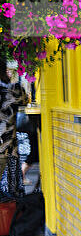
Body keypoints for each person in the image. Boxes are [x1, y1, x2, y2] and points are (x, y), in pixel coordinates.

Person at [0, 58, 27, 196]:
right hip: (9, 144)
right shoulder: (15, 90)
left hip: (6, 143)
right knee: (12, 190)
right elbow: (24, 99)